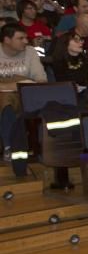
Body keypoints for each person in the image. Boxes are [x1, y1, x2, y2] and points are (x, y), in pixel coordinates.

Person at [0, 24, 46, 172]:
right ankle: (11, 147)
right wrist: (19, 83)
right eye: (21, 38)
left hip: (26, 95)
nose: (26, 41)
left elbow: (41, 80)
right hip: (6, 95)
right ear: (7, 40)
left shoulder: (31, 52)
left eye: (26, 37)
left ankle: (15, 147)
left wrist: (14, 85)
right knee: (6, 99)